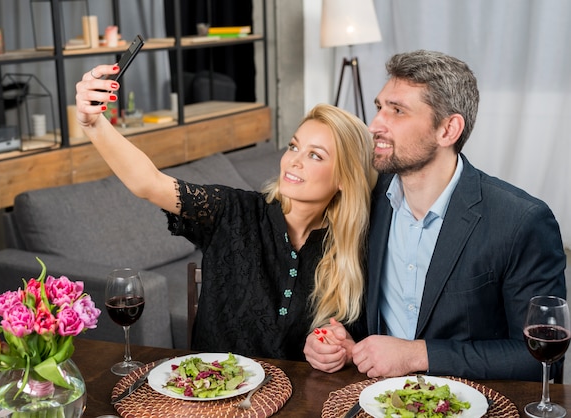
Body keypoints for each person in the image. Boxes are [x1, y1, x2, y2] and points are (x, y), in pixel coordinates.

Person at [75, 66, 377, 360]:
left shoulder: (352, 247)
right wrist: (94, 124)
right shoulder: (232, 212)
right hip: (212, 394)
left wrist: (338, 349)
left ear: (343, 179)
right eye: (294, 146)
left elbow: (348, 338)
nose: (294, 161)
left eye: (315, 155)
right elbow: (149, 183)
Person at [303, 49, 567, 381]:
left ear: (447, 130)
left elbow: (540, 359)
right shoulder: (366, 200)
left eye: (397, 111)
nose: (375, 125)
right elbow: (354, 306)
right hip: (375, 396)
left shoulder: (521, 221)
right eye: (380, 107)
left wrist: (417, 354)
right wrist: (332, 341)